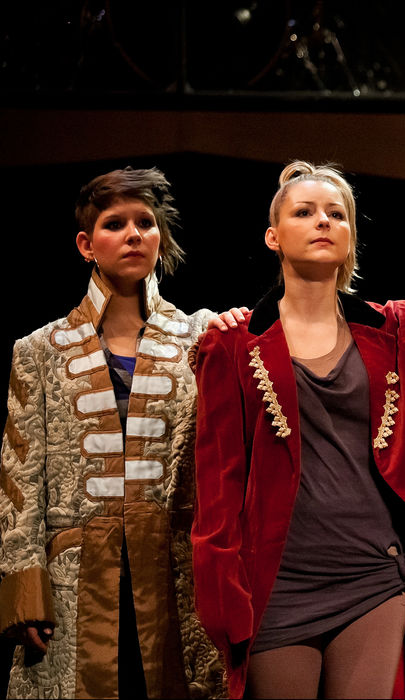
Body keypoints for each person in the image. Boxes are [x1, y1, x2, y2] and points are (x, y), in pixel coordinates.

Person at [190, 161, 405, 699]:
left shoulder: (395, 327)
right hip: (277, 586)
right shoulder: (233, 343)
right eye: (304, 212)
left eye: (337, 214)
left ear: (351, 236)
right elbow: (217, 485)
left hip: (373, 576)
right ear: (273, 236)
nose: (323, 222)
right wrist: (225, 604)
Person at [0, 167, 242, 698]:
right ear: (86, 245)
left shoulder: (202, 337)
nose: (133, 234)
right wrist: (25, 592)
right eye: (115, 224)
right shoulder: (39, 350)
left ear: (161, 238)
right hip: (75, 585)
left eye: (145, 222)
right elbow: (20, 480)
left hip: (176, 579)